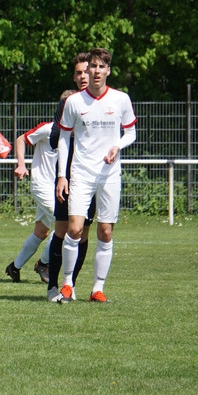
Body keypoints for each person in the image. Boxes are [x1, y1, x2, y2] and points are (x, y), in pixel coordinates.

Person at [55, 48, 136, 303]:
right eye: (93, 66)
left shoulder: (121, 99)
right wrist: (62, 175)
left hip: (109, 174)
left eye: (102, 67)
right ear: (87, 70)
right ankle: (67, 285)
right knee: (75, 228)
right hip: (81, 172)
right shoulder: (74, 101)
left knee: (106, 232)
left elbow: (131, 133)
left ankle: (97, 289)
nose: (97, 71)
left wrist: (118, 146)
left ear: (108, 71)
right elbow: (64, 138)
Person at [3, 90, 75, 284]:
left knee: (41, 232)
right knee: (64, 223)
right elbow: (21, 139)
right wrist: (21, 164)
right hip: (42, 185)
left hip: (58, 189)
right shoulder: (48, 128)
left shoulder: (76, 132)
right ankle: (43, 264)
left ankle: (15, 267)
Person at [46, 53, 95, 301]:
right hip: (68, 175)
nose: (83, 76)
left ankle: (71, 286)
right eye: (78, 72)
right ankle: (53, 287)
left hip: (93, 176)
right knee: (62, 229)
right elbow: (55, 138)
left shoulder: (104, 103)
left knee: (83, 232)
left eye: (87, 71)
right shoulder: (68, 103)